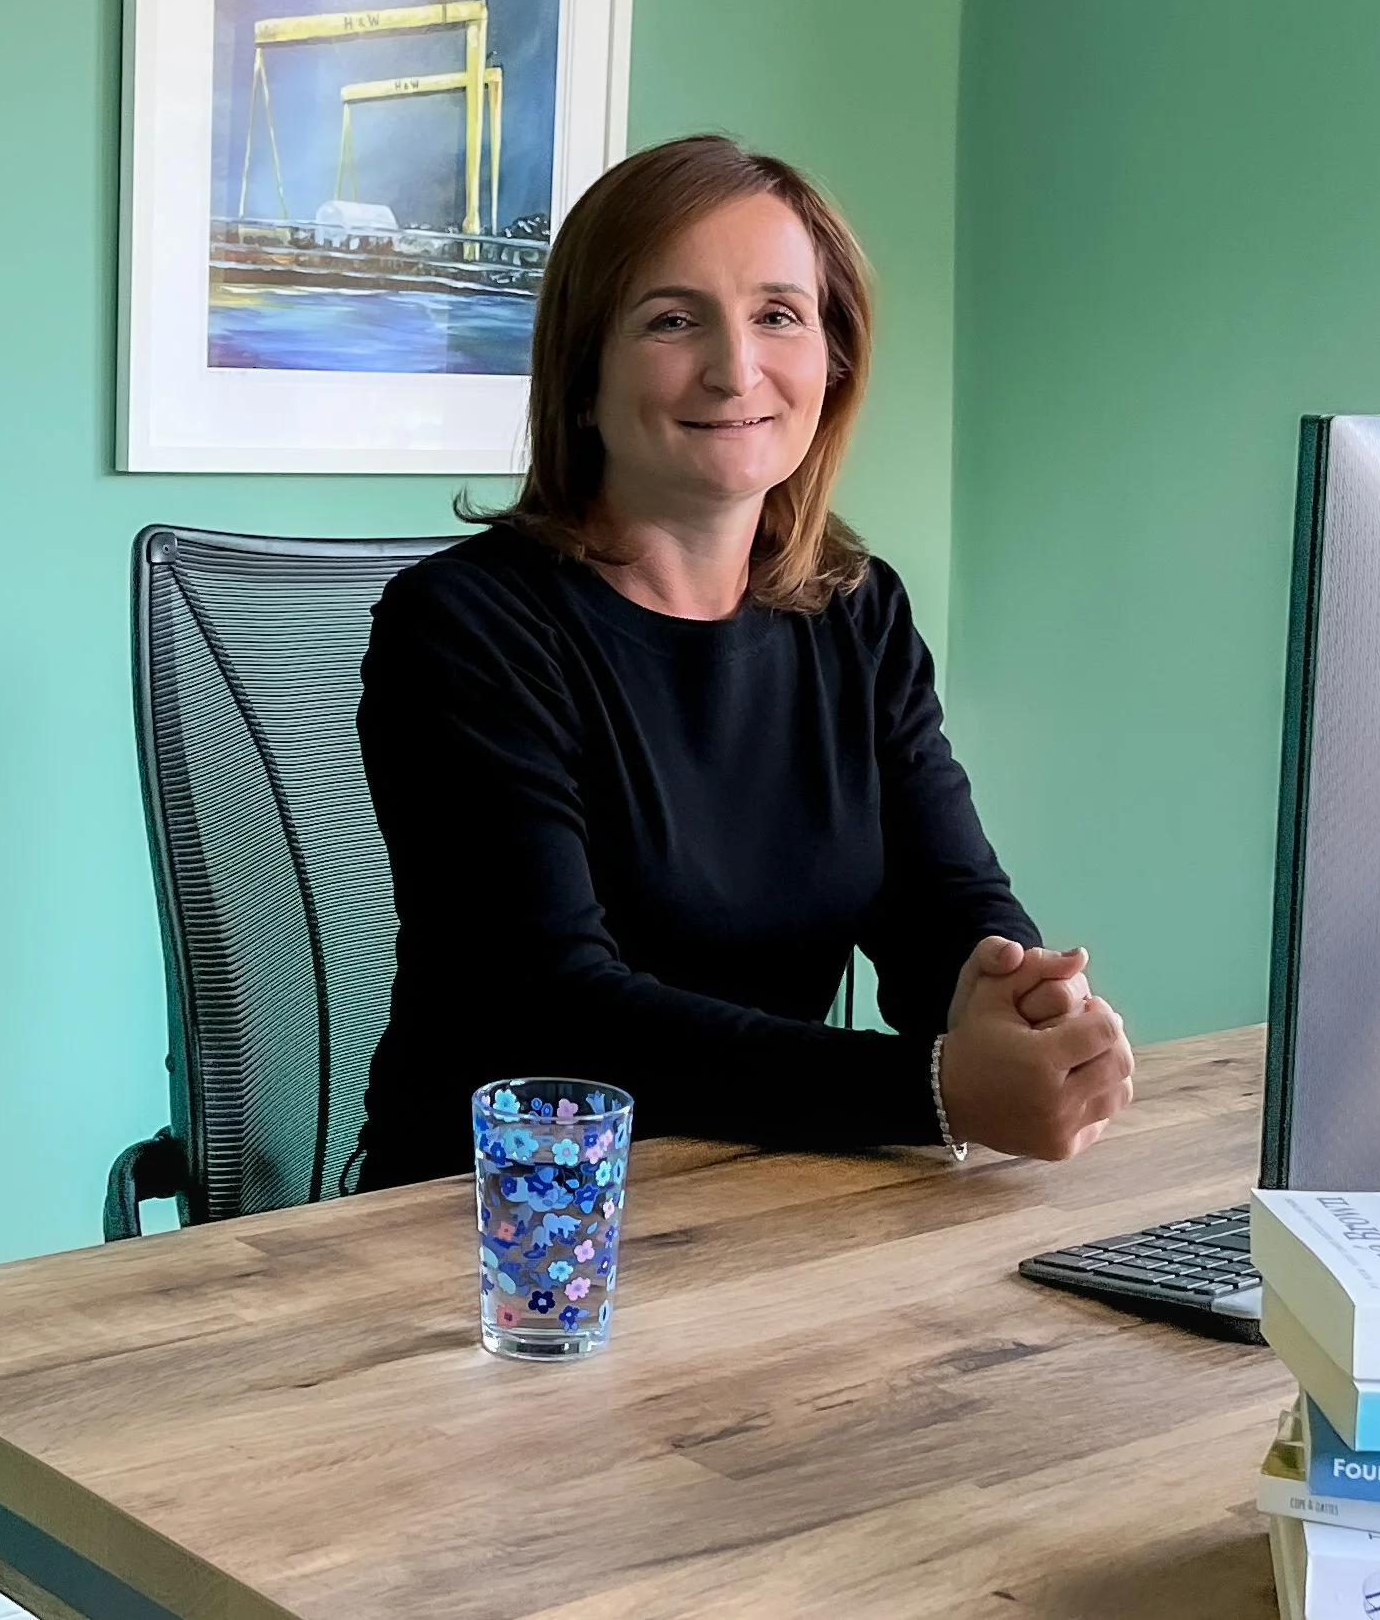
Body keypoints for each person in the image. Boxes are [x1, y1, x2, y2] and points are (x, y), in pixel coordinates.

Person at [352, 134, 1132, 1189]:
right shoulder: (462, 626)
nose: (735, 369)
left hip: (768, 1189)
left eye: (778, 314)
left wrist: (1020, 1000)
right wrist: (935, 1091)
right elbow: (556, 1007)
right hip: (506, 1227)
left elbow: (943, 900)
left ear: (831, 358)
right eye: (672, 321)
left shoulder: (857, 610)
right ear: (581, 376)